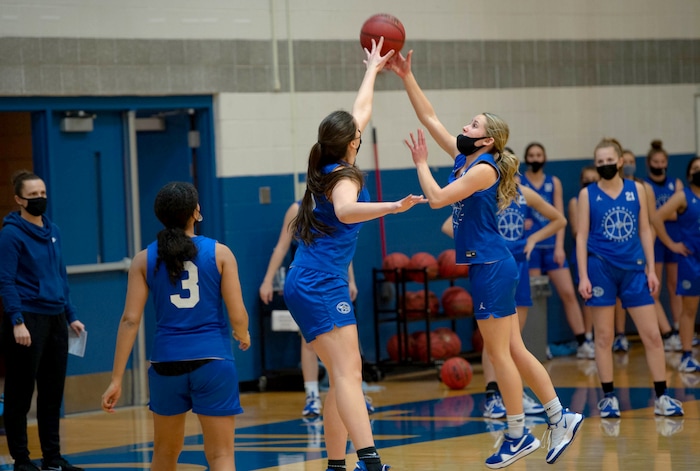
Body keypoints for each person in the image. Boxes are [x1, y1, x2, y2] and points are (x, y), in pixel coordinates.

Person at [391, 51, 583, 468]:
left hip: (493, 266)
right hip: (490, 265)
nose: (464, 127)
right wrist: (407, 76)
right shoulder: (466, 159)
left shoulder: (485, 169)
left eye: (473, 124)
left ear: (488, 139)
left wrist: (422, 164)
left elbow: (438, 199)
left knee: (501, 353)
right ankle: (558, 416)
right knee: (512, 348)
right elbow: (431, 119)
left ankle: (517, 434)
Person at [282, 37, 424, 471]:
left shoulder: (327, 161)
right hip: (320, 285)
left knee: (338, 377)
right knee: (349, 374)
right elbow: (345, 210)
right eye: (356, 135)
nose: (360, 132)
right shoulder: (343, 178)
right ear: (350, 145)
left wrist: (371, 71)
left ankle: (337, 465)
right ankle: (371, 461)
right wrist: (393, 206)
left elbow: (359, 112)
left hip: (308, 282)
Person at [101, 182, 251, 471]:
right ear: (196, 212)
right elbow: (237, 313)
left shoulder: (144, 259)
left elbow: (130, 320)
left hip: (166, 363)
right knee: (221, 456)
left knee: (165, 453)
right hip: (213, 361)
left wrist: (117, 378)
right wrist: (242, 334)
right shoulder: (220, 254)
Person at [575, 138, 684, 420]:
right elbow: (582, 236)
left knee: (652, 335)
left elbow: (646, 230)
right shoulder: (588, 194)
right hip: (601, 268)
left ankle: (662, 397)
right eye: (599, 162)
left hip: (634, 270)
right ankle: (608, 398)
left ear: (621, 161)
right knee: (604, 336)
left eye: (610, 161)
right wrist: (583, 275)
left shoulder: (638, 189)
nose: (605, 166)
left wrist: (650, 269)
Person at [443, 181, 566, 420]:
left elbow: (559, 219)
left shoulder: (524, 194)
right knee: (496, 342)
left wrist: (533, 239)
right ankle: (493, 396)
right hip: (493, 263)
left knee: (513, 342)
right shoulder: (482, 194)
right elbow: (448, 226)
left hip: (517, 263)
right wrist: (477, 242)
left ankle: (516, 395)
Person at [0, 171, 86, 471]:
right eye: (32, 195)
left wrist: (71, 315)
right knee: (20, 394)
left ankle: (53, 458)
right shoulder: (11, 234)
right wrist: (17, 320)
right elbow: (6, 280)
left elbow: (60, 277)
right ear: (19, 199)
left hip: (55, 320)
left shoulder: (53, 231)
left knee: (52, 394)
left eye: (42, 194)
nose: (39, 199)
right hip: (27, 320)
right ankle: (21, 459)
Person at [259, 201, 374, 417]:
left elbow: (343, 248)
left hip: (335, 280)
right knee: (309, 340)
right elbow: (282, 246)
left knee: (348, 339)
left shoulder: (340, 207)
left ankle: (354, 391)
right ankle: (312, 395)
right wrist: (267, 280)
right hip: (310, 281)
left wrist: (351, 280)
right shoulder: (296, 209)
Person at [521, 143, 594, 360]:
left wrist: (560, 245)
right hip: (530, 247)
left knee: (569, 294)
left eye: (539, 154)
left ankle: (583, 342)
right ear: (526, 158)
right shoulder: (519, 181)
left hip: (552, 246)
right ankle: (536, 345)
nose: (535, 158)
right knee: (533, 300)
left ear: (544, 158)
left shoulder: (554, 182)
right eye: (531, 155)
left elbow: (560, 214)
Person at [651, 156, 700, 373]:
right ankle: (687, 355)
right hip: (690, 259)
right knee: (689, 310)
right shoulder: (683, 196)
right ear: (689, 174)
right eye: (696, 168)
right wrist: (671, 243)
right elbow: (656, 217)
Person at [644, 139, 683, 351]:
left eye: (662, 161)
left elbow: (679, 213)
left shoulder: (676, 183)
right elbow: (652, 217)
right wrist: (666, 214)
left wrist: (662, 215)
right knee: (654, 288)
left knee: (675, 286)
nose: (659, 164)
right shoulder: (645, 186)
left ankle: (677, 328)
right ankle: (666, 333)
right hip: (656, 240)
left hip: (675, 238)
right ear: (649, 163)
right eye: (655, 161)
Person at [567, 166, 599, 355]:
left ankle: (602, 337)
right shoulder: (576, 201)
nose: (589, 182)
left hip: (604, 256)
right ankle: (587, 338)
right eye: (586, 179)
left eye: (593, 179)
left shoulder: (602, 201)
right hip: (585, 254)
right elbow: (577, 231)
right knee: (588, 297)